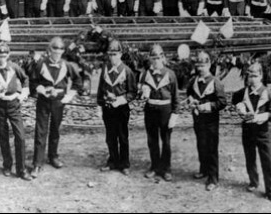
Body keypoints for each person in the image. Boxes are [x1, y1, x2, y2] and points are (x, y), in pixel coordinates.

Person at [29, 37, 82, 177]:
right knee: (41, 131)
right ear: (49, 50)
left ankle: (53, 156)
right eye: (54, 50)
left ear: (63, 51)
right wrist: (41, 89)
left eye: (60, 50)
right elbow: (33, 82)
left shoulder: (67, 65)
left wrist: (69, 96)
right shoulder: (41, 64)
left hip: (59, 102)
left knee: (55, 130)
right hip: (44, 101)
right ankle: (37, 163)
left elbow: (78, 81)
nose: (57, 53)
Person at [232, 63, 271, 203]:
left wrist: (261, 116)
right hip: (247, 131)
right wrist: (239, 107)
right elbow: (235, 101)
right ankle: (253, 181)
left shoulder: (268, 93)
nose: (252, 79)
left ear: (261, 76)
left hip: (262, 132)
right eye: (249, 76)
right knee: (250, 158)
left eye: (255, 76)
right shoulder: (242, 93)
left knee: (267, 161)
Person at [0, 43, 33, 180]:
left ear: (8, 55)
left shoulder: (14, 67)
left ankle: (21, 169)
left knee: (20, 136)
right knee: (3, 136)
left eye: (4, 55)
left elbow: (25, 79)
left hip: (13, 104)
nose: (2, 57)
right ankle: (7, 165)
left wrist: (23, 93)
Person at [187, 51, 227, 191]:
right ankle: (203, 170)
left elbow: (222, 102)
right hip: (198, 119)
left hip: (211, 121)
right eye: (198, 66)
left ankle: (213, 178)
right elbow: (189, 93)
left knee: (211, 148)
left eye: (203, 66)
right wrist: (191, 100)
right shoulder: (193, 81)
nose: (200, 69)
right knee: (201, 145)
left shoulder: (215, 82)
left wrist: (208, 106)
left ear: (209, 65)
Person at [97, 39, 138, 175]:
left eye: (115, 54)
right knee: (110, 136)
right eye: (110, 54)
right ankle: (112, 161)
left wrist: (121, 100)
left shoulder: (127, 71)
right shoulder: (105, 69)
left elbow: (133, 92)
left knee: (122, 136)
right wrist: (100, 104)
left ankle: (124, 163)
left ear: (120, 54)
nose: (112, 57)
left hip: (121, 109)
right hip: (108, 108)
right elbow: (100, 89)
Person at [141, 45, 179, 182]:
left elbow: (175, 96)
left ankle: (166, 168)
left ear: (163, 57)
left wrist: (174, 114)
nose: (156, 61)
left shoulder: (170, 74)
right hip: (150, 110)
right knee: (152, 140)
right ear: (150, 59)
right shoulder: (146, 74)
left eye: (158, 58)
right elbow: (141, 93)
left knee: (166, 141)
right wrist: (143, 92)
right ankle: (155, 166)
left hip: (165, 110)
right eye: (153, 58)